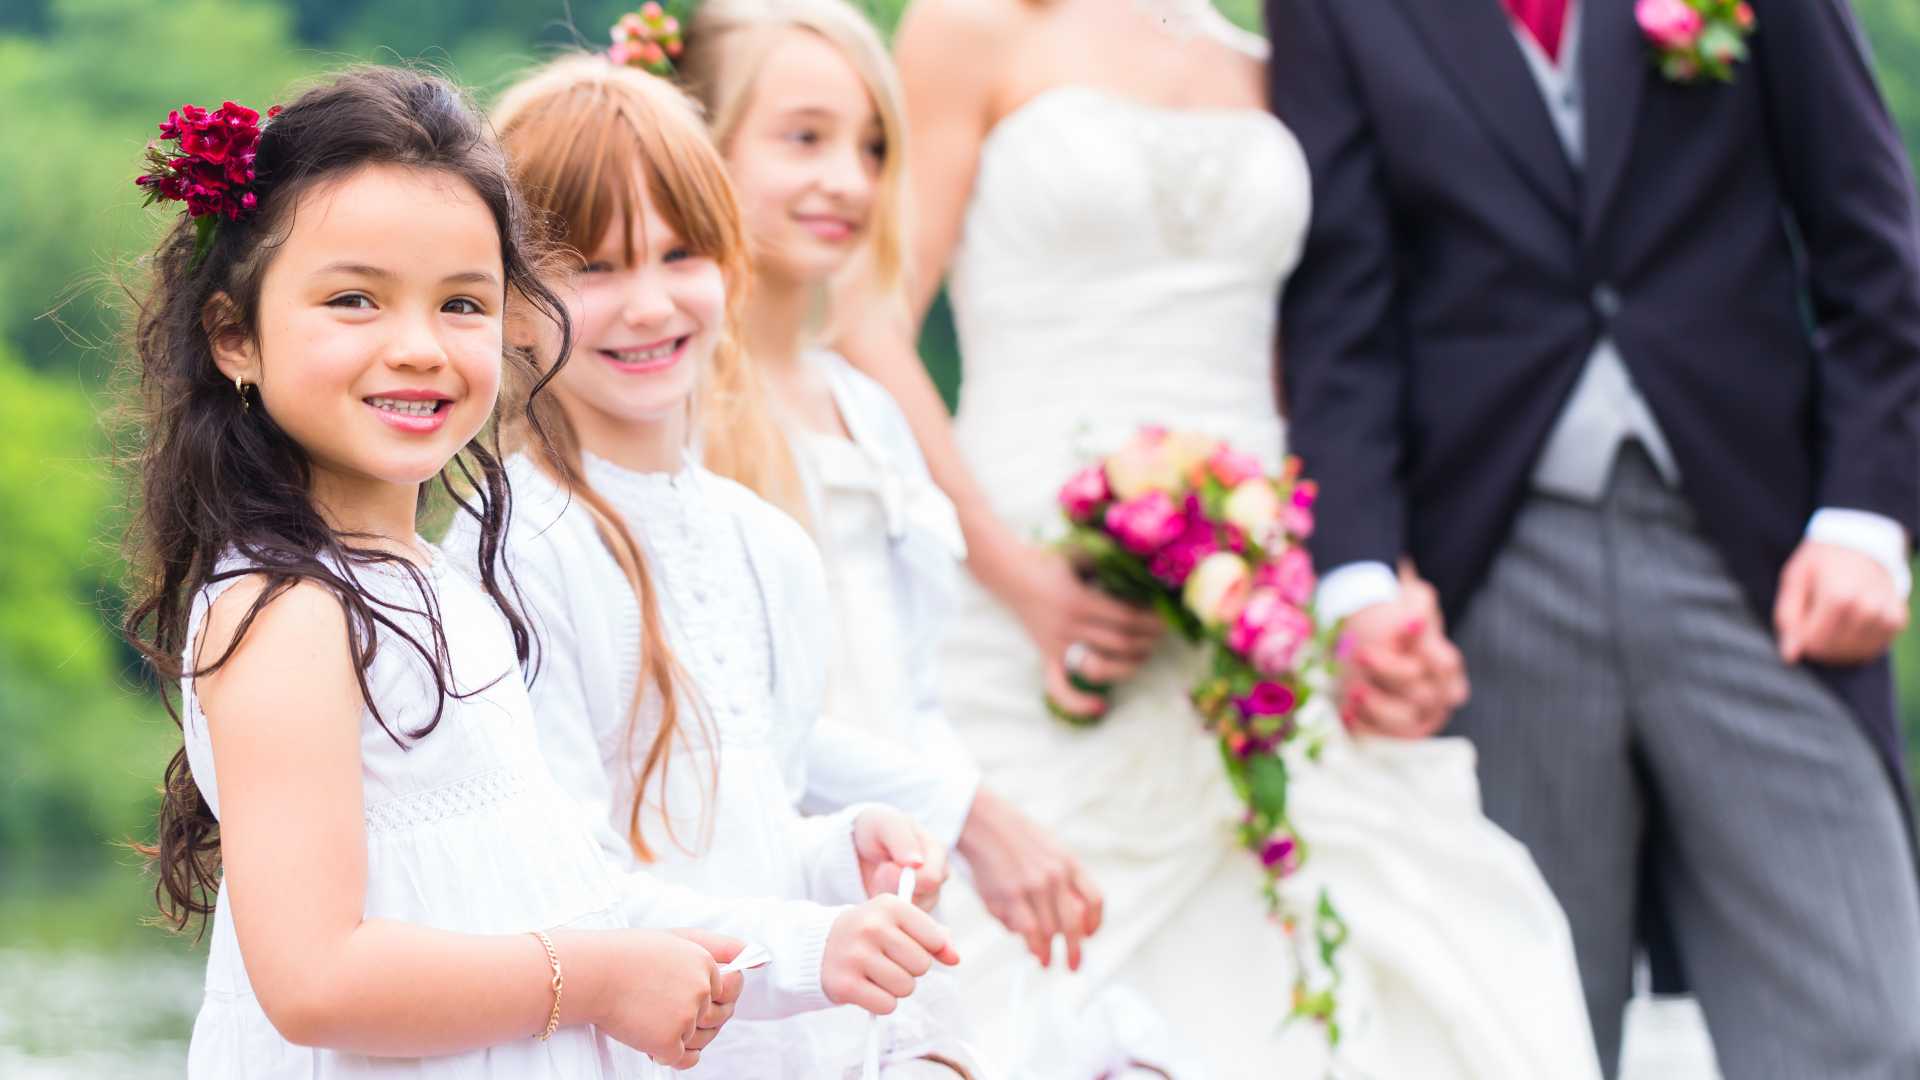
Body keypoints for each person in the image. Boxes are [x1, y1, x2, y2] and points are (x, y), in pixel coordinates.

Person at [833, 1, 1601, 1076]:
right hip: (1028, 575)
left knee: (1406, 938)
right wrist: (1018, 577)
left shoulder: (1282, 53)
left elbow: (1326, 365)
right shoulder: (972, 28)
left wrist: (1381, 587)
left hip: (1266, 583)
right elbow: (869, 318)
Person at [1268, 0, 1920, 1075]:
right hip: (1492, 571)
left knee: (1863, 1026)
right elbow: (1340, 311)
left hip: (1760, 558)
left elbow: (1872, 240)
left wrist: (1865, 518)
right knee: (1531, 1036)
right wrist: (1357, 578)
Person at [124, 67, 741, 1077]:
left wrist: (794, 952)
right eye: (354, 299)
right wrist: (593, 981)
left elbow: (541, 882)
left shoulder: (437, 584)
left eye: (462, 303)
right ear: (234, 335)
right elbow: (316, 980)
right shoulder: (289, 615)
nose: (418, 347)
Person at [450, 56, 966, 1078]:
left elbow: (758, 823)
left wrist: (846, 852)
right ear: (510, 303)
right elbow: (560, 880)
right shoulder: (510, 546)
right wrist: (816, 948)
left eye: (679, 254)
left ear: (733, 264)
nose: (648, 305)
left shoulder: (768, 544)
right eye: (594, 269)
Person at [674, 0, 1104, 980]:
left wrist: (961, 816)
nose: (848, 181)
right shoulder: (684, 411)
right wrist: (966, 814)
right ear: (699, 145)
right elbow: (738, 710)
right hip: (777, 890)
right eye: (804, 139)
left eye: (871, 146)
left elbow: (915, 678)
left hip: (913, 863)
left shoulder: (867, 407)